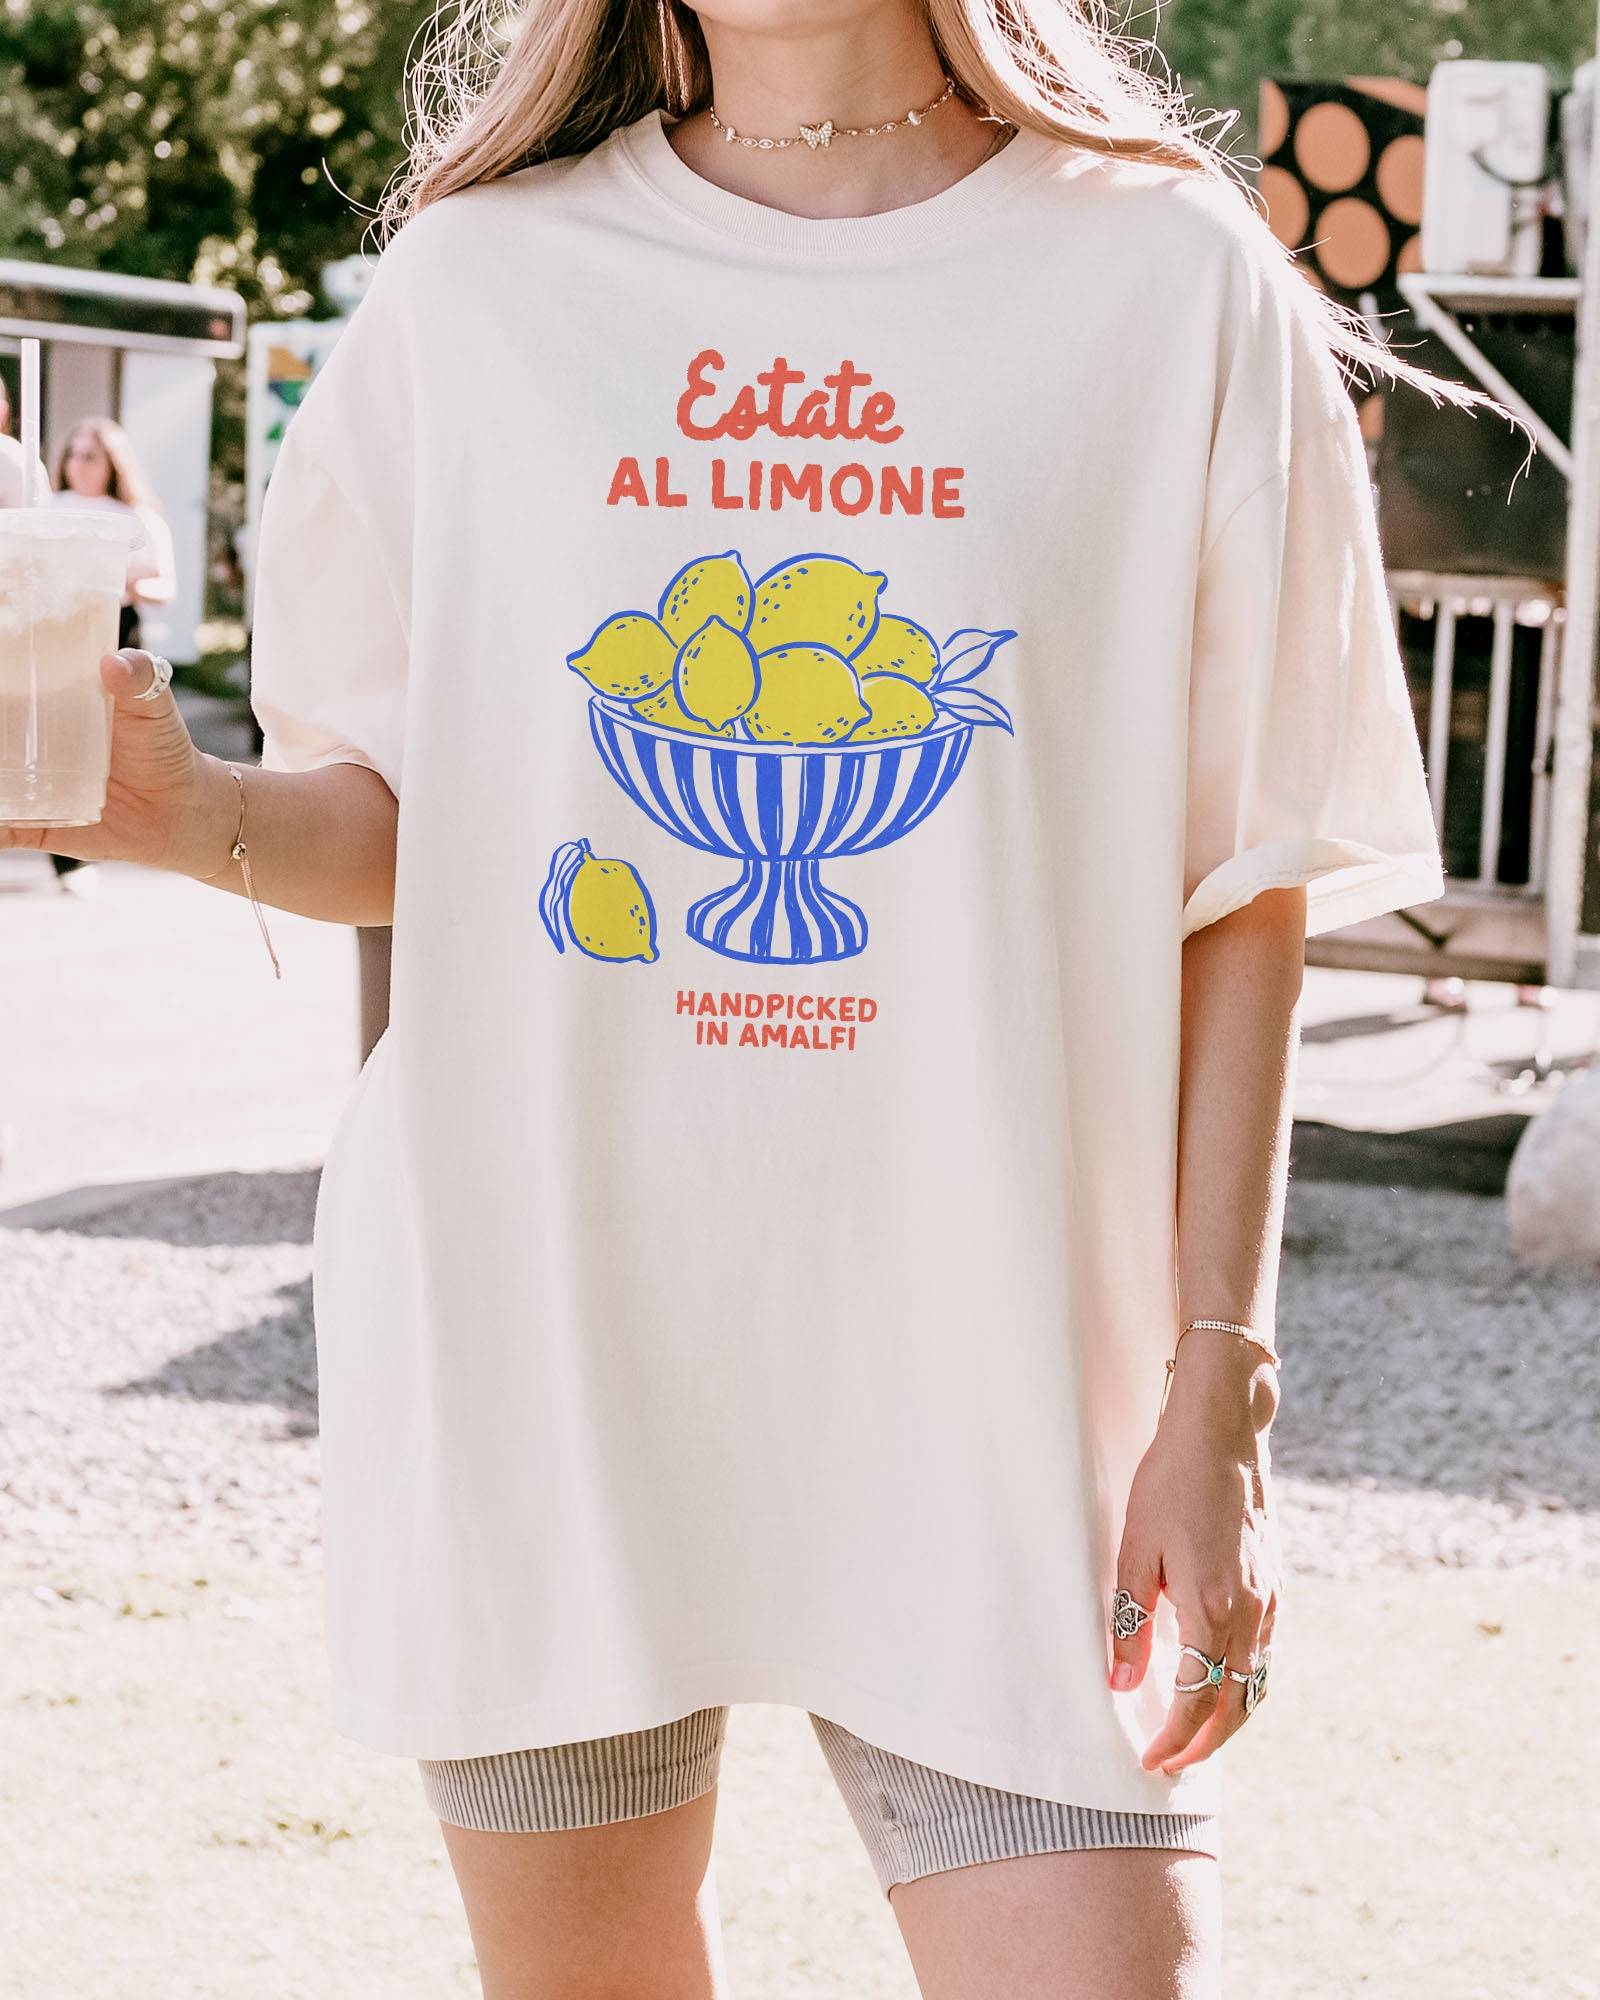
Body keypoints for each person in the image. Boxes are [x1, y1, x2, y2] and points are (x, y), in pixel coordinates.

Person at [2, 2, 1509, 1992]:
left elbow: (1239, 881)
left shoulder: (1164, 282)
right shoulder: (478, 285)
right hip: (542, 1343)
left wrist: (1216, 1381)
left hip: (1003, 1378)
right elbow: (404, 815)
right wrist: (173, 809)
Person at [50, 417, 177, 653]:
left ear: (113, 461)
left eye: (90, 457)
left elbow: (165, 586)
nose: (78, 464)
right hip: (57, 621)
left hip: (115, 623)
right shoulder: (47, 508)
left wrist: (124, 580)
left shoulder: (139, 518)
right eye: (72, 454)